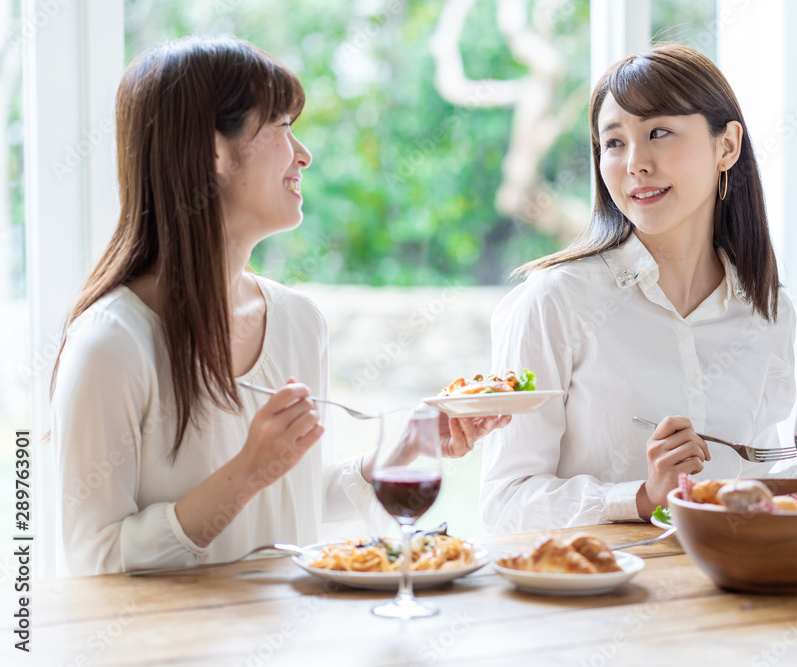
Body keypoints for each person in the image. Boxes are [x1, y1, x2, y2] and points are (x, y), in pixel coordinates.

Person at [50, 36, 509, 576]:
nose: (304, 154)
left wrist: (399, 450)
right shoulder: (111, 344)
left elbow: (294, 502)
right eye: (282, 127)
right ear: (211, 151)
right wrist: (244, 472)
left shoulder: (298, 321)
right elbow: (90, 561)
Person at [480, 44, 797, 534]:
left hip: (736, 587)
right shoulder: (555, 302)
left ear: (727, 146)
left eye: (659, 132)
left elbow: (754, 476)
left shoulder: (767, 312)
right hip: (602, 595)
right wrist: (640, 496)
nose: (635, 162)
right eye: (613, 142)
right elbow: (504, 503)